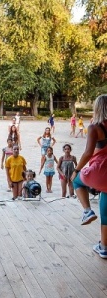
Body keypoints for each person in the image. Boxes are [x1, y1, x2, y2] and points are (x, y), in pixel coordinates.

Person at [71, 95, 107, 258]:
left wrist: (76, 170)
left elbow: (87, 153)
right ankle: (104, 247)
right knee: (106, 212)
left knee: (77, 182)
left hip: (100, 170)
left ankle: (87, 211)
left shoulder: (94, 127)